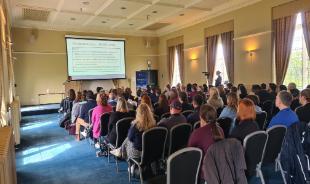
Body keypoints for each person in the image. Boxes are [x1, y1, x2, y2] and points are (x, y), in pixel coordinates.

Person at [188, 104, 224, 181]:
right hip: (220, 170)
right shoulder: (220, 130)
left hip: (205, 174)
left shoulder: (197, 133)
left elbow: (189, 153)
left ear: (201, 117)